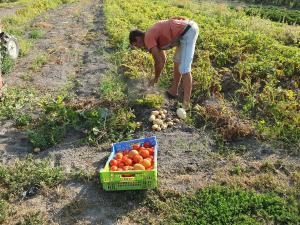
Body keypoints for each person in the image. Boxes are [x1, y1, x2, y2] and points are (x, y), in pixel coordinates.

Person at [129, 17, 199, 110]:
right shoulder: (150, 35)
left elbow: (158, 62)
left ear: (138, 39)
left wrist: (156, 79)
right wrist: (156, 78)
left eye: (136, 45)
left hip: (188, 32)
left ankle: (186, 104)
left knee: (184, 68)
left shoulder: (148, 38)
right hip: (184, 32)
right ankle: (173, 91)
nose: (139, 47)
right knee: (177, 60)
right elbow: (162, 59)